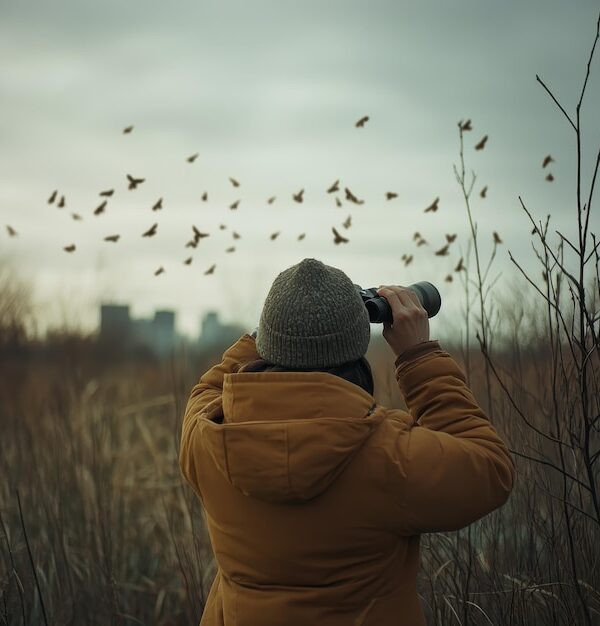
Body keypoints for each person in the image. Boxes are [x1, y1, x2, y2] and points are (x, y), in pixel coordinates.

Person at [179, 257, 515, 626]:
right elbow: (489, 467)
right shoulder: (391, 457)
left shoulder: (209, 438)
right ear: (355, 353)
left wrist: (277, 328)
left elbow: (206, 389)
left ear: (268, 342)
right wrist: (419, 357)